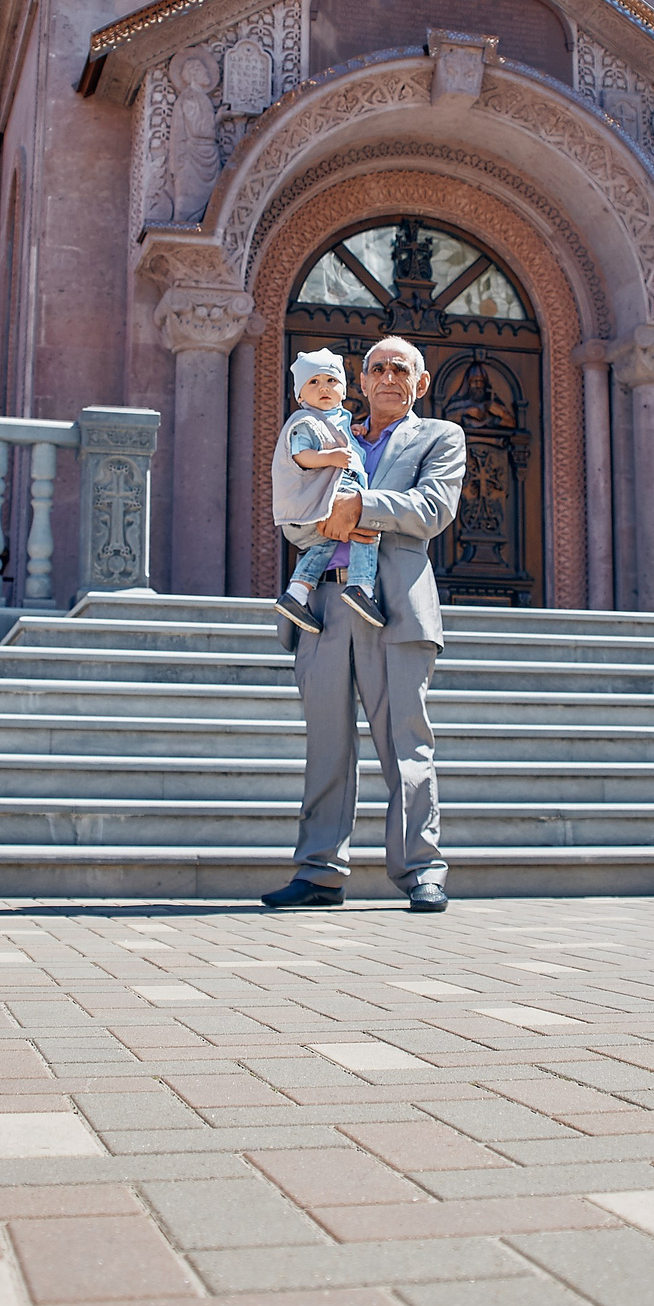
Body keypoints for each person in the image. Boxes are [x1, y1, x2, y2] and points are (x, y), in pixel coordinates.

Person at [260, 335, 466, 914]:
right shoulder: (329, 430)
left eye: (401, 369)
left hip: (394, 608)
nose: (388, 377)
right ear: (362, 379)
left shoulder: (440, 437)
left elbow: (433, 509)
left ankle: (422, 869)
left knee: (407, 744)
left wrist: (363, 507)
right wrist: (312, 526)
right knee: (326, 745)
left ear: (419, 384)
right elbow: (295, 494)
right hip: (324, 607)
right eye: (376, 368)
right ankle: (319, 871)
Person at [272, 349, 382, 635]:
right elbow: (300, 456)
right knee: (366, 524)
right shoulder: (304, 422)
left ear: (343, 390)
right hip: (325, 499)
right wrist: (329, 458)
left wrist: (354, 432)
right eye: (314, 382)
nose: (323, 387)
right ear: (299, 396)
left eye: (331, 380)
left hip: (324, 505)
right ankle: (361, 585)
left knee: (324, 544)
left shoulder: (339, 421)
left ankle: (296, 593)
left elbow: (340, 437)